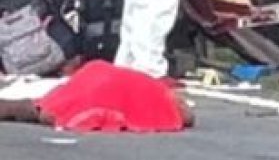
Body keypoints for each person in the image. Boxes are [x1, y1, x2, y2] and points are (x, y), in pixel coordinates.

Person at [0, 59, 194, 131]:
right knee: (51, 107)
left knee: (51, 106)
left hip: (98, 79)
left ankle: (12, 108)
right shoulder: (163, 106)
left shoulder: (162, 101)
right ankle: (12, 108)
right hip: (99, 81)